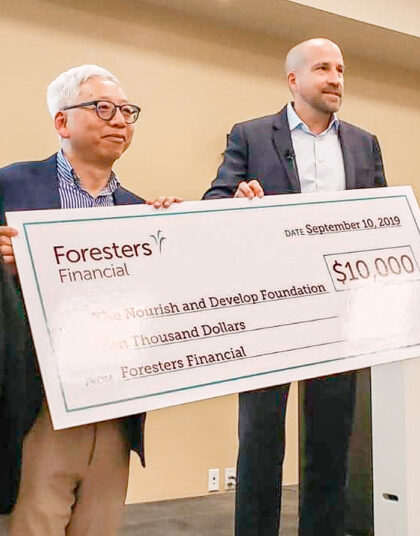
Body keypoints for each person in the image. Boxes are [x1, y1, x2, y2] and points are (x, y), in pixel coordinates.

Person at [204, 38, 386, 536]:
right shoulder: (250, 135)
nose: (336, 79)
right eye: (324, 68)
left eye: (342, 70)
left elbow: (376, 218)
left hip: (338, 314)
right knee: (260, 439)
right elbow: (214, 201)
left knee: (331, 441)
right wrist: (237, 197)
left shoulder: (364, 143)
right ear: (293, 80)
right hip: (270, 312)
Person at [0, 64, 178, 536]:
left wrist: (178, 239)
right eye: (103, 108)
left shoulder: (140, 212)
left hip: (115, 407)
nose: (119, 120)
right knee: (33, 522)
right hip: (37, 403)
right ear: (62, 122)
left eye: (126, 111)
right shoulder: (11, 185)